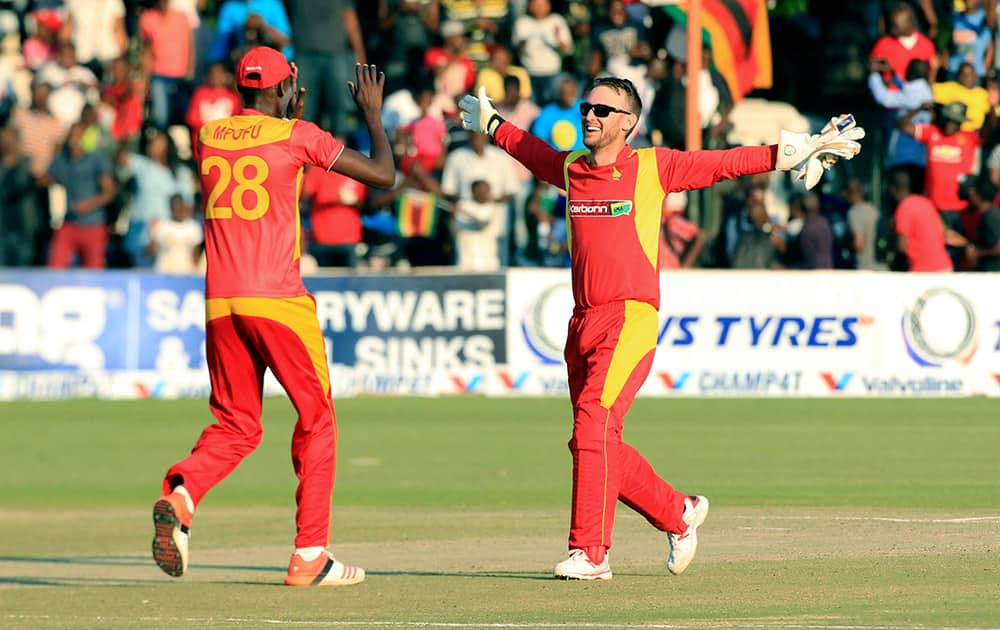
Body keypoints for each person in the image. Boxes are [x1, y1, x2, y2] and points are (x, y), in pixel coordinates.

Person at [458, 79, 862, 580]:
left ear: (629, 122)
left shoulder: (651, 166)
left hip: (629, 317)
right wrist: (492, 124)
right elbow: (530, 149)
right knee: (594, 441)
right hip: (581, 321)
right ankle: (679, 513)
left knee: (593, 428)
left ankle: (591, 553)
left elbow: (721, 163)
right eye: (588, 107)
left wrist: (789, 151)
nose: (591, 116)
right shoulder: (571, 169)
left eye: (604, 110)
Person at [151, 47, 395, 587]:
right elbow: (384, 176)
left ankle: (183, 494)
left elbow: (252, 145)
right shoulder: (298, 134)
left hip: (221, 303)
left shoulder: (207, 136)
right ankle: (310, 553)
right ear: (287, 89)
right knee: (317, 419)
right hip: (278, 301)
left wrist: (285, 113)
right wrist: (372, 116)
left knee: (236, 423)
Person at [888, 169, 953, 271]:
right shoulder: (926, 203)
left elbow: (901, 246)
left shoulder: (904, 207)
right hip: (944, 266)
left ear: (893, 189)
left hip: (923, 270)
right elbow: (944, 233)